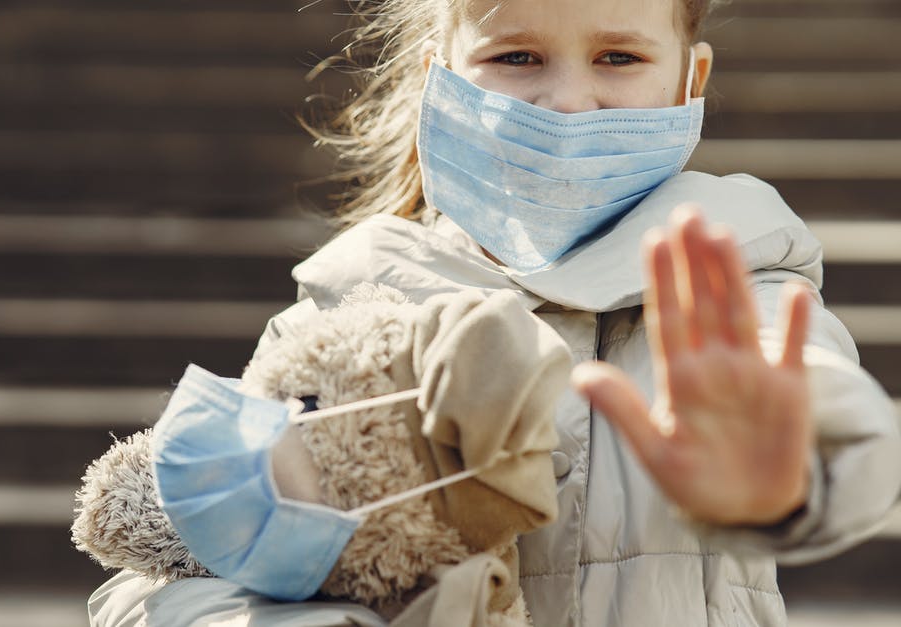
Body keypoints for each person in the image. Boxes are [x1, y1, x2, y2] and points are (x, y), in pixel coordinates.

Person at [89, 0, 901, 625]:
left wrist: (790, 454)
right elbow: (166, 565)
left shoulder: (733, 266)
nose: (567, 101)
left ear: (690, 80)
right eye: (517, 55)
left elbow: (802, 373)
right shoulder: (354, 303)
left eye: (619, 56)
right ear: (442, 71)